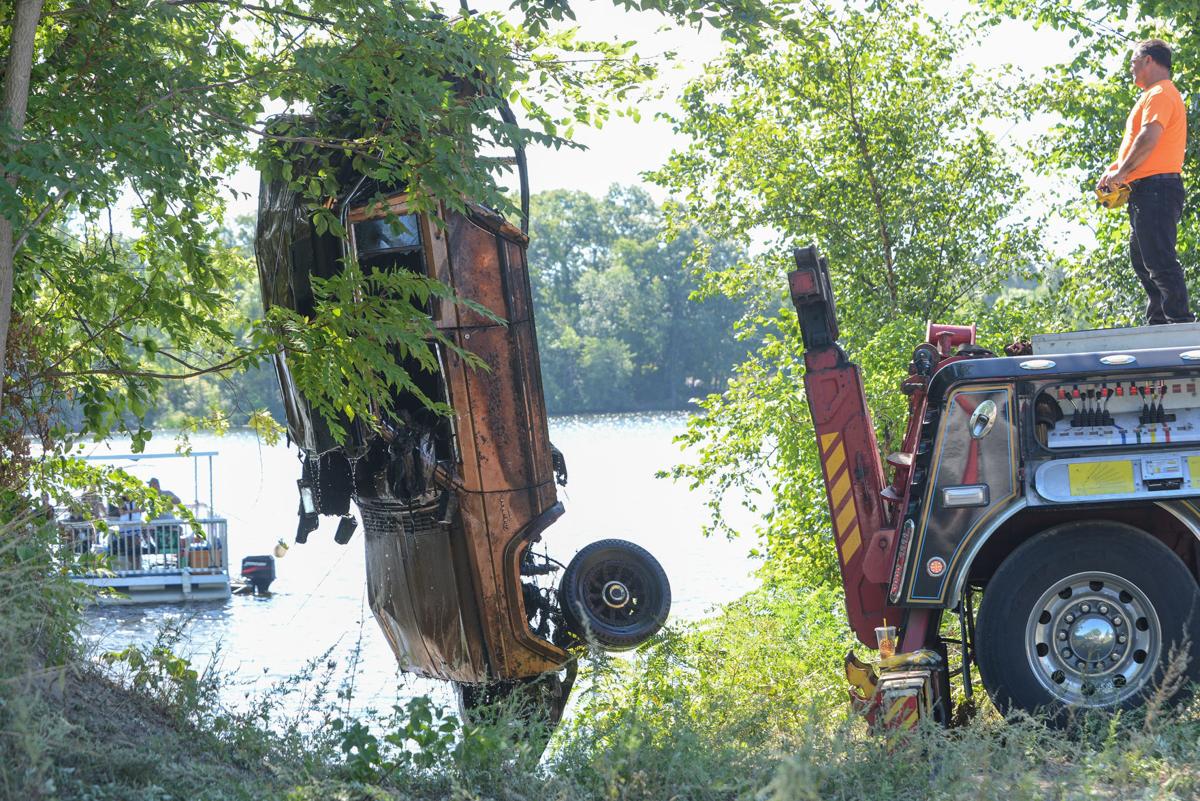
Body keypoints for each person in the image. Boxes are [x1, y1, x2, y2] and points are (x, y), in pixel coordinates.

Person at [1096, 39, 1191, 325]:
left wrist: (1122, 172)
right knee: (1143, 260)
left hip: (1157, 189)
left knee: (1159, 259)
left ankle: (1181, 323)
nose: (1131, 66)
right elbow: (1145, 144)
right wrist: (1116, 168)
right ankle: (1160, 321)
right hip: (1148, 189)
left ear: (1149, 59)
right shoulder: (1154, 94)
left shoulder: (1161, 92)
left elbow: (1149, 137)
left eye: (1134, 60)